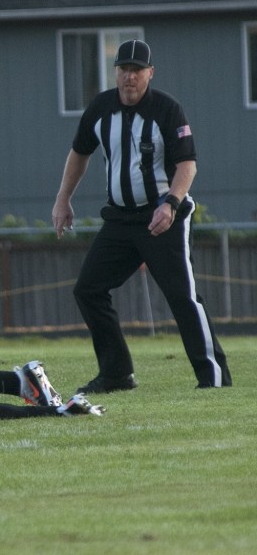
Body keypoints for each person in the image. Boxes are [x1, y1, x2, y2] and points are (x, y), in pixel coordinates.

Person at [52, 39, 231, 392]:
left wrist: (171, 204)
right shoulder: (100, 108)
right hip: (120, 220)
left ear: (150, 73)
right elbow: (79, 153)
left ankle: (213, 376)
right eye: (123, 69)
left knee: (182, 295)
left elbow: (187, 165)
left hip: (162, 218)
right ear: (115, 72)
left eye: (136, 70)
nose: (129, 77)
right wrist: (63, 200)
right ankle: (117, 373)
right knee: (88, 290)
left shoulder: (167, 109)